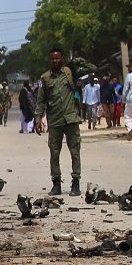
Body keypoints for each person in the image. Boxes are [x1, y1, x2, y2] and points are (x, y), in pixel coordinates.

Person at [36, 49, 82, 195]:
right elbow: (40, 101)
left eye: (57, 58)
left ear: (62, 59)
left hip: (71, 119)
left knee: (75, 152)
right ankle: (56, 184)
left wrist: (77, 61)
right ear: (50, 60)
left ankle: (76, 183)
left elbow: (91, 68)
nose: (55, 61)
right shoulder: (45, 78)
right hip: (55, 121)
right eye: (53, 59)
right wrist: (38, 120)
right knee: (54, 153)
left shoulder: (69, 73)